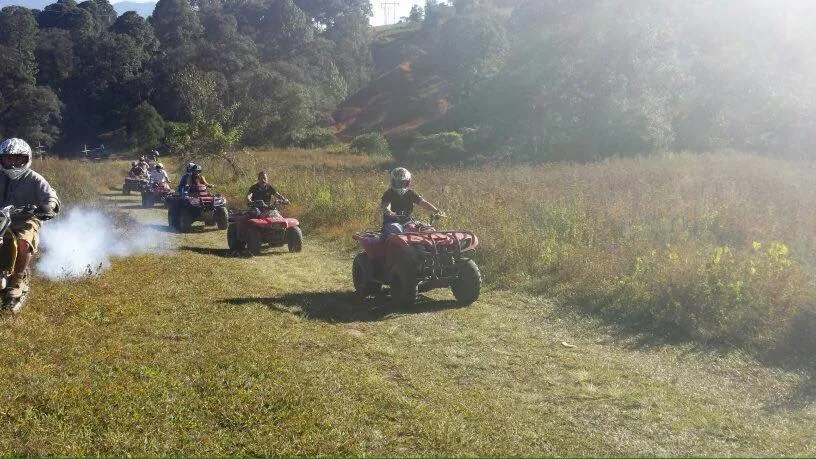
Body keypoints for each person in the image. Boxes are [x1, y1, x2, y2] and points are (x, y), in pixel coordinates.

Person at [0, 138, 60, 299]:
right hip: (1, 218)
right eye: (9, 157)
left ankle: (17, 280)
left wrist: (49, 206)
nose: (13, 162)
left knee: (23, 242)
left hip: (25, 218)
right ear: (2, 158)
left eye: (18, 158)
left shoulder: (34, 178)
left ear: (26, 159)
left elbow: (50, 196)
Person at [380, 167, 442, 238]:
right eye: (397, 182)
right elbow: (386, 206)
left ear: (408, 182)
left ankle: (431, 248)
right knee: (397, 231)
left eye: (403, 182)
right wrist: (390, 212)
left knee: (427, 230)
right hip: (392, 222)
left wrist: (436, 211)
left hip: (408, 222)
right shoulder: (389, 193)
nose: (400, 185)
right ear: (393, 181)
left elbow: (423, 203)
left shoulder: (411, 193)